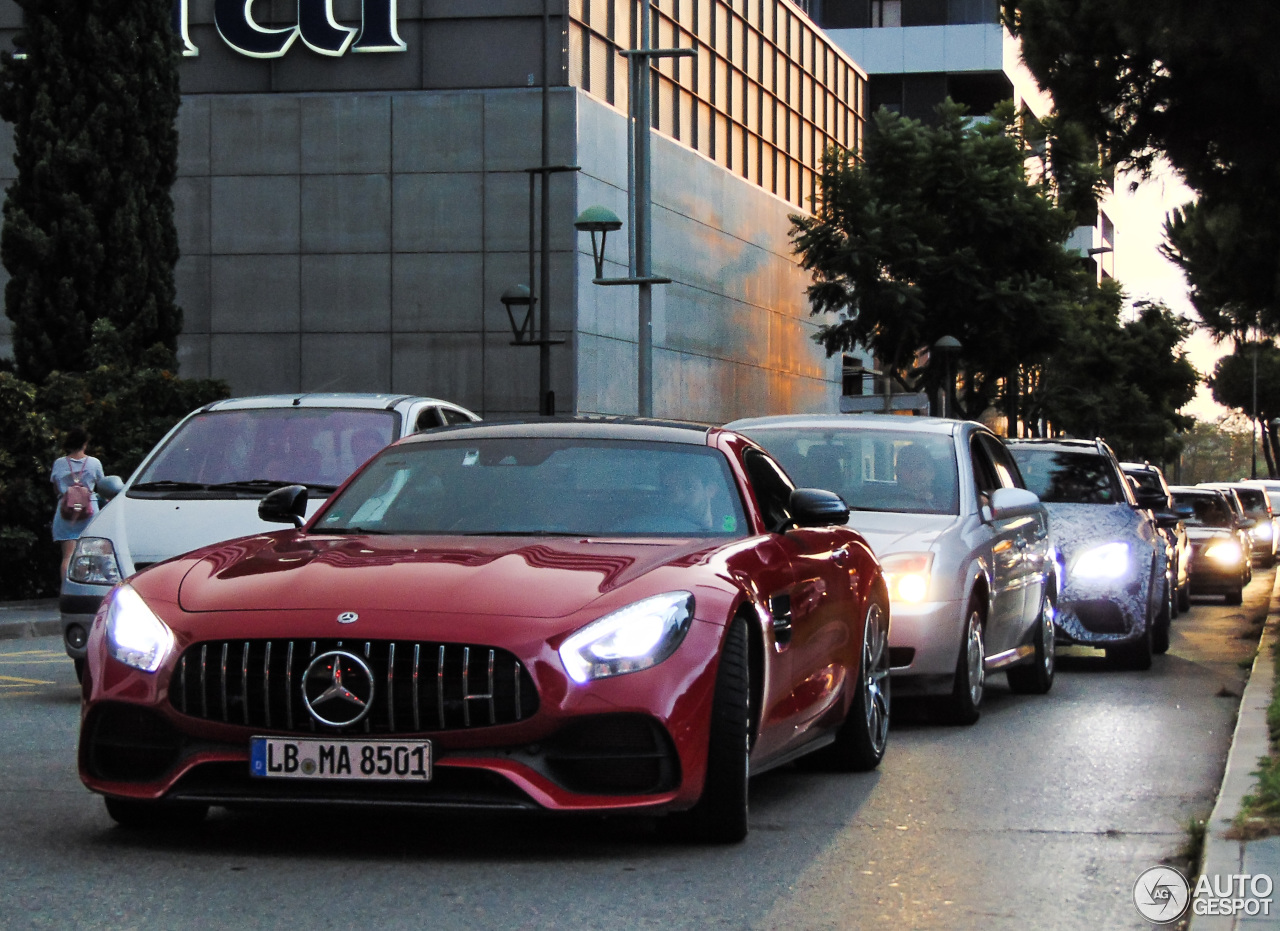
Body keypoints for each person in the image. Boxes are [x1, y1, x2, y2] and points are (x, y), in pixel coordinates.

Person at [51, 426, 105, 581]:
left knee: (68, 556)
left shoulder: (59, 463)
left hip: (65, 512)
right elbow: (102, 485)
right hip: (89, 513)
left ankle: (66, 590)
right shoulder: (94, 463)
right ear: (85, 443)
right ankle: (83, 589)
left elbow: (55, 488)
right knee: (88, 555)